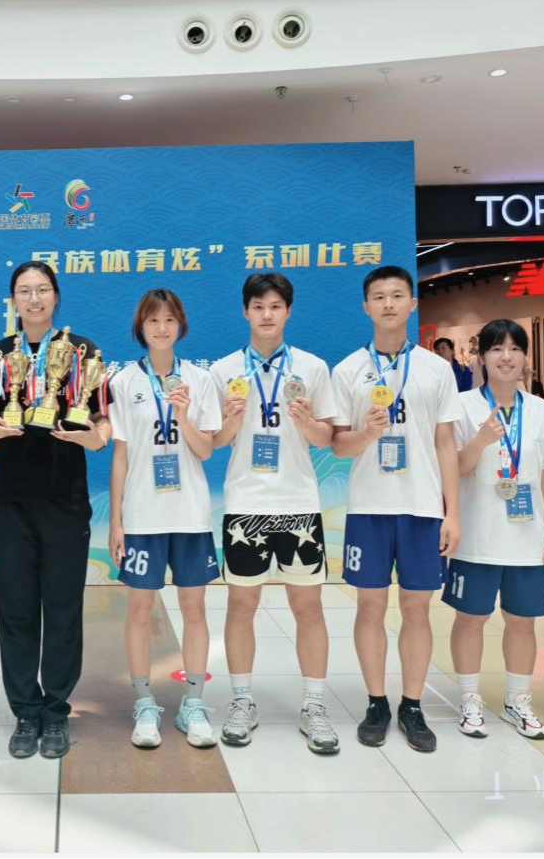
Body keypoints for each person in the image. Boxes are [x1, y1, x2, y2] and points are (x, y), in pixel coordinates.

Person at [0, 260, 110, 759]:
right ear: (13, 300)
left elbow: (102, 421)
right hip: (10, 500)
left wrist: (95, 439)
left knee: (63, 606)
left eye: (43, 289)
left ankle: (56, 711)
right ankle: (25, 711)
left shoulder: (82, 352)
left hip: (65, 498)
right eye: (25, 291)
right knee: (16, 609)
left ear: (56, 296)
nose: (34, 299)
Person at [330, 266, 460, 752]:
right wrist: (367, 433)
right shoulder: (348, 370)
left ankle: (412, 705)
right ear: (366, 306)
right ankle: (376, 702)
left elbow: (445, 443)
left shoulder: (436, 369)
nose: (388, 303)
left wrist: (452, 512)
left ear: (412, 304)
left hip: (422, 507)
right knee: (369, 607)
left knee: (416, 609)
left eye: (397, 295)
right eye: (379, 296)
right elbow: (339, 446)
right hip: (368, 506)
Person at [211, 273, 342, 754]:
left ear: (288, 311)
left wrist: (307, 422)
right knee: (241, 606)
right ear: (245, 312)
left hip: (297, 504)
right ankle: (242, 701)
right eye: (258, 306)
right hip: (245, 503)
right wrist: (230, 421)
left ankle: (315, 705)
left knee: (308, 608)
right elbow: (215, 442)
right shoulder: (224, 370)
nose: (267, 314)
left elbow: (327, 438)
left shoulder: (312, 367)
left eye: (275, 306)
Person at [443, 319, 544, 741]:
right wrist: (480, 440)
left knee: (522, 622)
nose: (506, 357)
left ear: (525, 358)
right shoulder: (461, 406)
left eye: (515, 348)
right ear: (481, 356)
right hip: (476, 537)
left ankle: (517, 700)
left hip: (526, 539)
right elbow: (454, 469)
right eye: (497, 348)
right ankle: (469, 699)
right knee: (470, 619)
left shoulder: (541, 410)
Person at [108, 289, 222, 749]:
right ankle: (144, 704)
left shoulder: (199, 379)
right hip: (142, 516)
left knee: (194, 610)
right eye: (153, 320)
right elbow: (120, 455)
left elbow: (206, 449)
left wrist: (183, 415)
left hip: (190, 514)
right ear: (141, 327)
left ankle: (193, 705)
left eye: (169, 319)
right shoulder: (122, 381)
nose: (161, 328)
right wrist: (116, 522)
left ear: (181, 326)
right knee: (139, 611)